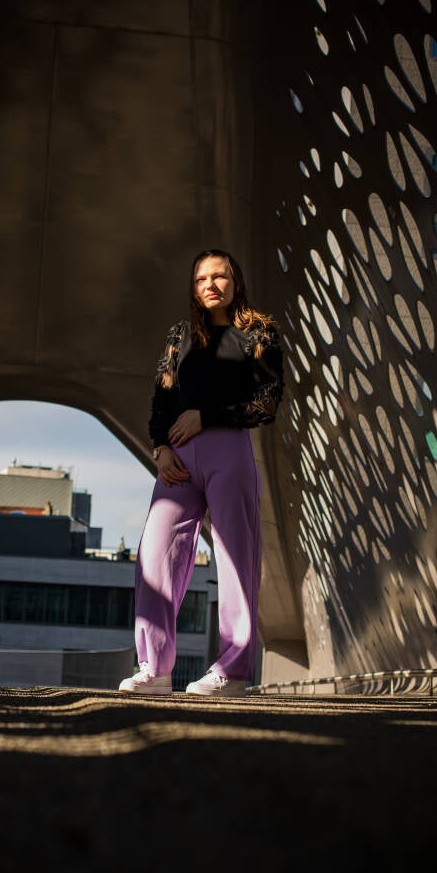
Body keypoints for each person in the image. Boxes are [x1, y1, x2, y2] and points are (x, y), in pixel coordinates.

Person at [119, 249, 284, 697]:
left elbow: (267, 400)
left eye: (220, 276)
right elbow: (162, 400)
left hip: (228, 451)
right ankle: (154, 669)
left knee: (235, 559)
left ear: (236, 281)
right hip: (177, 461)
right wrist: (159, 449)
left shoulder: (258, 332)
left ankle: (231, 671)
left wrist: (205, 417)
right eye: (202, 279)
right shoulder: (180, 337)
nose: (211, 285)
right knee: (155, 555)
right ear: (194, 288)